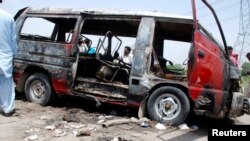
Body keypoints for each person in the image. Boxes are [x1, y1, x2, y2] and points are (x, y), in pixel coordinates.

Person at [0, 8, 17, 117]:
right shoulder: (8, 17)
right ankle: (8, 110)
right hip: (5, 57)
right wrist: (14, 55)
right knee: (6, 83)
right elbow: (13, 41)